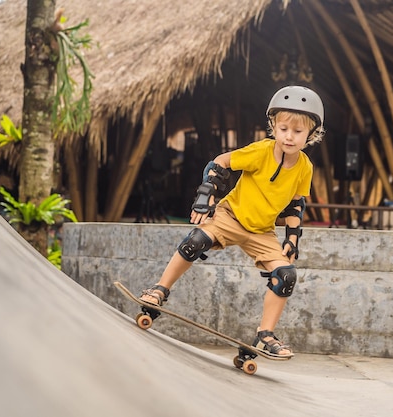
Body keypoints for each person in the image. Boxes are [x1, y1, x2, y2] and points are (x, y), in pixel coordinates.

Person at [139, 85, 325, 358]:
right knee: (196, 241)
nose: (289, 137)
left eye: (297, 132)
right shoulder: (260, 151)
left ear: (311, 134)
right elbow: (220, 163)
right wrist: (206, 197)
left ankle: (265, 335)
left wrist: (292, 239)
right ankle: (159, 290)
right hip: (230, 217)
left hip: (262, 232)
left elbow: (296, 204)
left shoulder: (305, 167)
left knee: (286, 275)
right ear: (274, 125)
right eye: (284, 129)